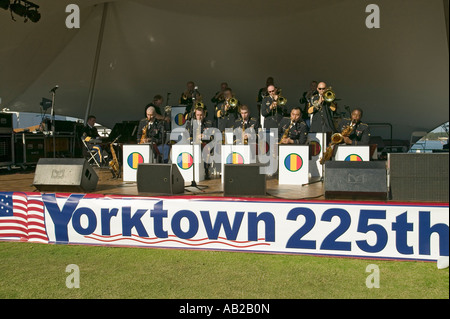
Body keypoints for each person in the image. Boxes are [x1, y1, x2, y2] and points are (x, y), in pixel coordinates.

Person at [185, 107, 213, 179]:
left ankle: (205, 169)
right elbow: (187, 135)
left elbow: (212, 136)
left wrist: (204, 136)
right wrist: (194, 138)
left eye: (201, 115)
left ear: (204, 115)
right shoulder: (190, 124)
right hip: (193, 144)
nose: (199, 117)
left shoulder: (208, 123)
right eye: (198, 115)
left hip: (204, 143)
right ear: (195, 115)